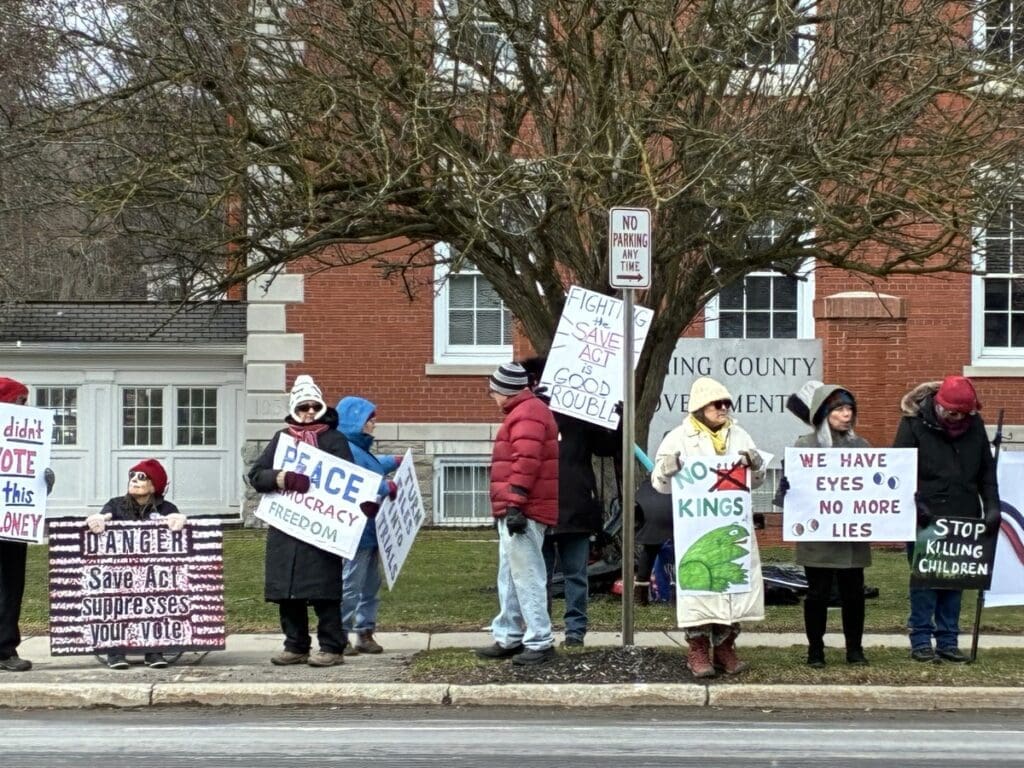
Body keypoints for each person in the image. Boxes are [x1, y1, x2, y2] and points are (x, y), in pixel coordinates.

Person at [651, 376, 765, 678]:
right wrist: (667, 469)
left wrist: (757, 466)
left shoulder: (740, 436)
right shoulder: (678, 438)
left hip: (730, 524)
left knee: (731, 584)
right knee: (699, 589)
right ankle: (698, 650)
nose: (724, 408)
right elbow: (659, 484)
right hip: (697, 528)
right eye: (718, 404)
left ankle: (726, 647)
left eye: (727, 403)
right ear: (701, 407)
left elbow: (757, 479)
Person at [248, 375, 354, 668]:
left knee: (324, 591)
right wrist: (281, 478)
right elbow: (256, 475)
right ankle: (295, 645)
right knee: (288, 590)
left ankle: (332, 646)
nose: (308, 412)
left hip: (321, 528)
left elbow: (349, 481)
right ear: (295, 408)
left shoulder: (334, 439)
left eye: (313, 406)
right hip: (286, 527)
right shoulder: (282, 438)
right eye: (303, 407)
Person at [894, 375, 1000, 663]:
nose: (957, 419)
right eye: (952, 413)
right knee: (925, 582)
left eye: (963, 414)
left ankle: (948, 640)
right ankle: (920, 640)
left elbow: (986, 473)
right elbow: (899, 472)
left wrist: (992, 505)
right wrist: (917, 503)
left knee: (955, 581)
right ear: (939, 405)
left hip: (964, 513)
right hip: (925, 516)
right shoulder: (913, 424)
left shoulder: (974, 426)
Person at [518, 356, 620, 648]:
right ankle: (540, 629)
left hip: (576, 508)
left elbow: (606, 447)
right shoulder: (527, 417)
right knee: (540, 576)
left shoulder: (577, 417)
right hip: (539, 510)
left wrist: (617, 419)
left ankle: (575, 631)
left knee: (576, 575)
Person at [777, 384, 871, 668]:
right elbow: (788, 498)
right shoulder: (805, 446)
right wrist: (786, 488)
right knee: (817, 594)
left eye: (850, 409)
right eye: (840, 409)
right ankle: (815, 650)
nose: (847, 414)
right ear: (825, 414)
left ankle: (854, 649)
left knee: (853, 594)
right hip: (817, 534)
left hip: (851, 535)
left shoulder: (862, 446)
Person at [475, 362, 560, 666]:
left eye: (493, 391)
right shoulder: (528, 411)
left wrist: (514, 504)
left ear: (505, 391)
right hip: (522, 506)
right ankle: (509, 634)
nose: (492, 397)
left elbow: (526, 462)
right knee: (510, 575)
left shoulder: (527, 413)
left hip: (525, 508)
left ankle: (539, 640)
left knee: (526, 576)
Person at [86, 458, 186, 670]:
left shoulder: (166, 508)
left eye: (142, 477)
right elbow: (103, 516)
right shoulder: (116, 504)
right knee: (114, 604)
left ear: (155, 484)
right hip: (119, 575)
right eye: (132, 476)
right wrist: (100, 519)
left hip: (153, 575)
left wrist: (177, 520)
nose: (135, 481)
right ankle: (115, 652)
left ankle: (154, 651)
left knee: (157, 602)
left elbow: (176, 525)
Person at [335, 395, 401, 656]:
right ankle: (341, 634)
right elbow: (354, 482)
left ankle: (365, 631)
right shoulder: (345, 450)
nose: (374, 424)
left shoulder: (357, 449)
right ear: (355, 422)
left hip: (371, 532)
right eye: (369, 419)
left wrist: (391, 462)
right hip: (356, 534)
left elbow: (371, 467)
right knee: (351, 586)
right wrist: (386, 486)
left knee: (370, 586)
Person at [0, 377, 55, 672]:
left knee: (11, 586)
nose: (26, 406)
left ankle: (5, 648)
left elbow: (24, 478)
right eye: (21, 400)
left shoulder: (24, 437)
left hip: (12, 523)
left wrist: (42, 484)